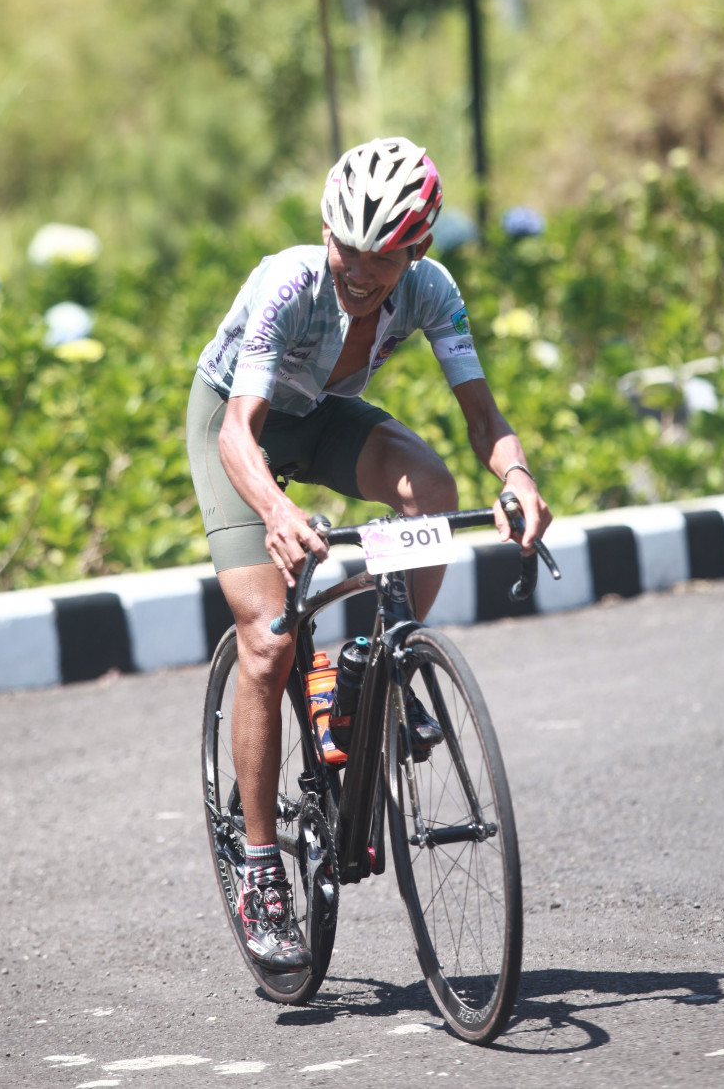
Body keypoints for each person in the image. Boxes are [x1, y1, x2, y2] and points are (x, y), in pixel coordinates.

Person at [187, 136, 551, 971]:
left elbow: (483, 417)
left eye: (381, 256)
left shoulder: (431, 290)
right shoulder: (289, 283)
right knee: (269, 641)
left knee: (432, 484)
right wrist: (276, 510)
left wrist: (519, 477)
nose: (357, 269)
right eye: (345, 246)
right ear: (326, 229)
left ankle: (366, 669)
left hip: (320, 418)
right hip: (235, 425)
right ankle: (259, 870)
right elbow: (239, 431)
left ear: (417, 249)